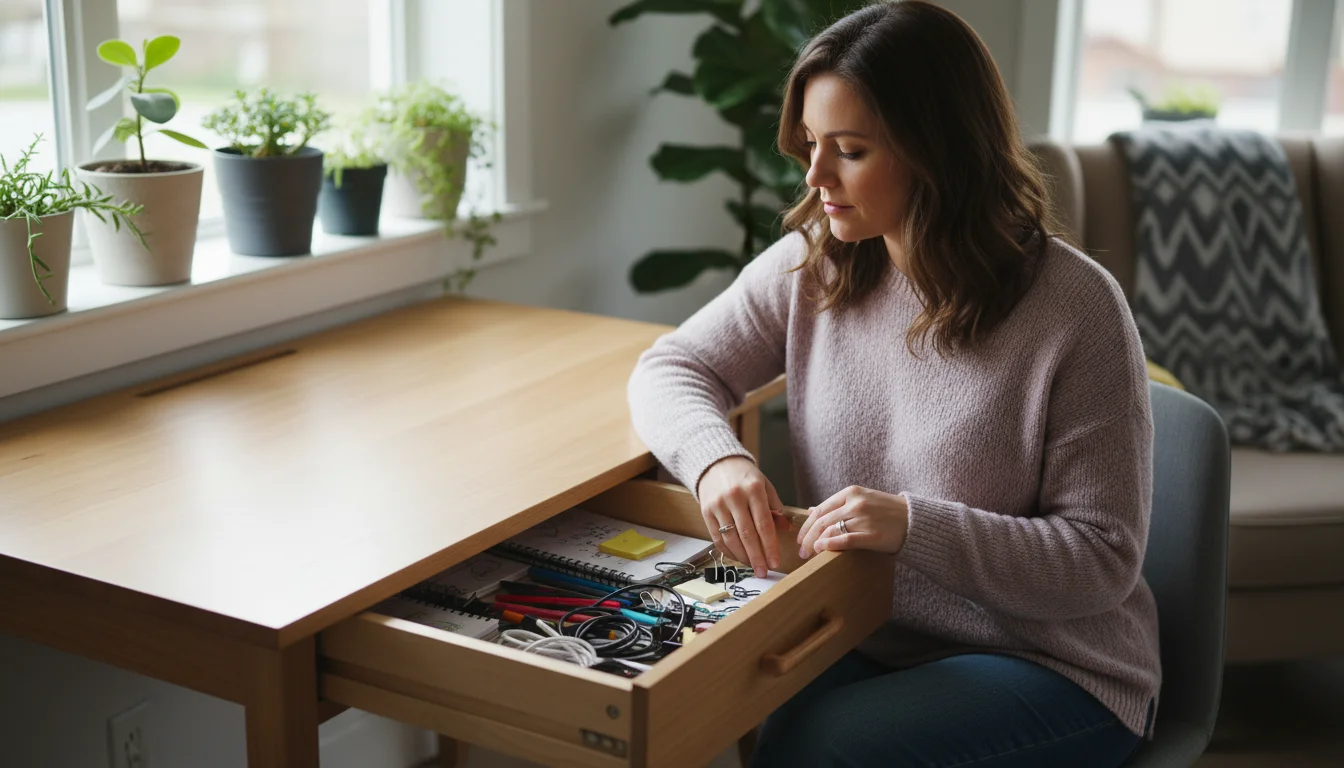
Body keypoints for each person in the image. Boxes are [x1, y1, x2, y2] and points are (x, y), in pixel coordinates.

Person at [626, 1, 1160, 766]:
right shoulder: (819, 262)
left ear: (935, 151)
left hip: (1055, 663)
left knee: (820, 748)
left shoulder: (1077, 309)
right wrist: (718, 460)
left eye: (848, 150)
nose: (814, 177)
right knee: (732, 696)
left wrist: (914, 526)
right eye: (810, 144)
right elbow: (671, 366)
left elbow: (1100, 560)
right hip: (868, 623)